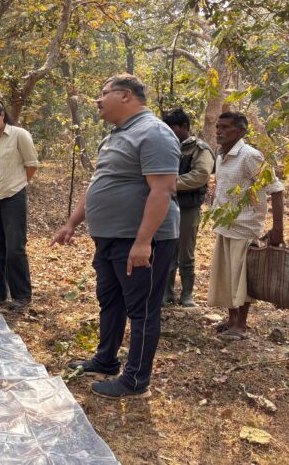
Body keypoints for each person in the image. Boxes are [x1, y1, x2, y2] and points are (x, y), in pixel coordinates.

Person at [52, 74, 180, 399]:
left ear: (125, 95)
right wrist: (72, 223)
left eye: (103, 93)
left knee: (142, 309)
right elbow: (99, 182)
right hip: (108, 238)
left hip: (138, 240)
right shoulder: (114, 136)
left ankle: (136, 380)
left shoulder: (155, 133)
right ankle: (106, 359)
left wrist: (142, 242)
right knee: (110, 300)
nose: (98, 100)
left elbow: (163, 190)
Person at [208, 111, 284, 341]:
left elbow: (276, 189)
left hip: (246, 226)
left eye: (225, 127)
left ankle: (241, 324)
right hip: (224, 225)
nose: (219, 131)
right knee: (227, 276)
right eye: (218, 127)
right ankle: (231, 319)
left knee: (243, 278)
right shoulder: (221, 155)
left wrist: (278, 228)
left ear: (240, 131)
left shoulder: (251, 156)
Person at [0, 99, 38, 311]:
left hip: (13, 196)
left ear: (2, 115)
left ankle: (22, 295)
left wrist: (18, 184)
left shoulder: (19, 135)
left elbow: (31, 165)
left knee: (15, 247)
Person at [161, 108, 215, 307]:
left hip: (187, 207)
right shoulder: (164, 146)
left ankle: (187, 294)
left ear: (184, 127)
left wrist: (170, 183)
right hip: (165, 204)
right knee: (166, 249)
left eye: (173, 128)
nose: (169, 132)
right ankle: (166, 293)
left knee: (186, 251)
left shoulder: (199, 149)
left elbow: (200, 175)